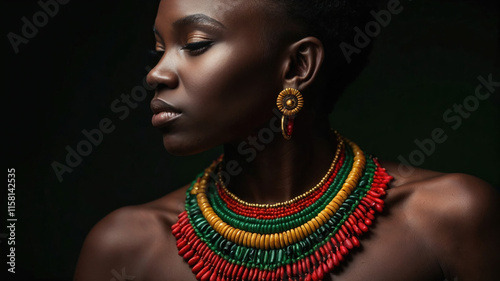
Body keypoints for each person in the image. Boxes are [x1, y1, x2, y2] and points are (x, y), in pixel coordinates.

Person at [74, 0, 500, 280]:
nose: (156, 73)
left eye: (196, 44)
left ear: (297, 66)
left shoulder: (447, 220)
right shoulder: (125, 248)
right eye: (158, 49)